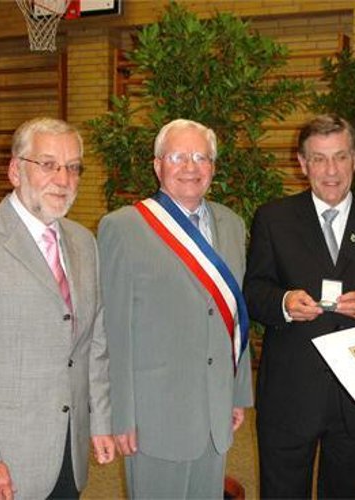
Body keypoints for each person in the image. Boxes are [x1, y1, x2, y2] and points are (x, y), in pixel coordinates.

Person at [0, 117, 116, 500]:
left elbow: (94, 343)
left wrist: (100, 421)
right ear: (15, 170)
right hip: (2, 459)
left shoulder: (83, 242)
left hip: (67, 452)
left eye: (73, 167)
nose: (63, 179)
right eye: (48, 165)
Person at [243, 114, 355, 498]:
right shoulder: (273, 219)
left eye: (339, 157)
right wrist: (284, 303)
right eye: (319, 159)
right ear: (302, 164)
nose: (331, 170)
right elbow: (253, 291)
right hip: (290, 391)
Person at [98, 118, 252, 498]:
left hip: (215, 408)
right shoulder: (123, 227)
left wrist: (236, 393)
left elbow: (236, 317)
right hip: (154, 416)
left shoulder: (231, 225)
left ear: (213, 167)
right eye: (178, 156)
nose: (190, 166)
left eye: (201, 157)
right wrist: (120, 414)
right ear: (157, 164)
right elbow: (113, 330)